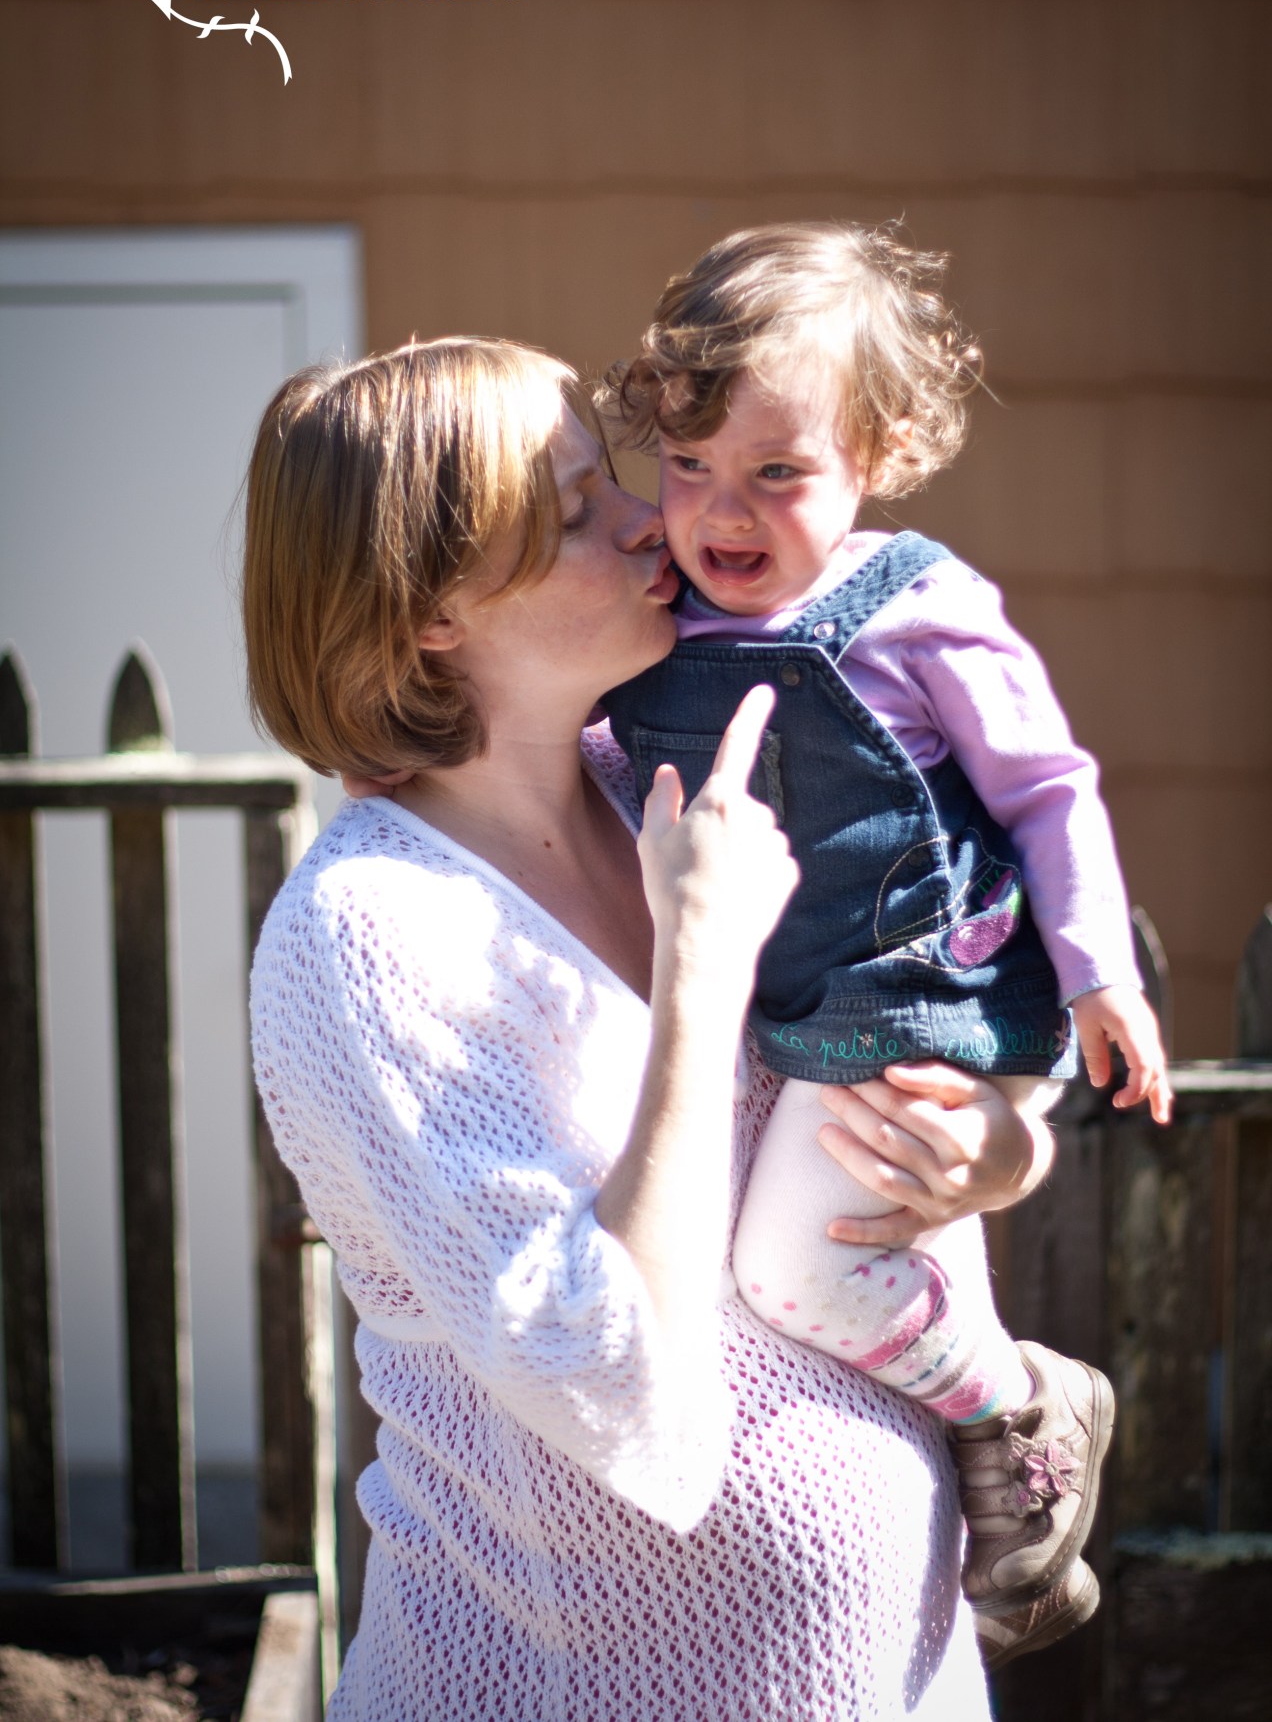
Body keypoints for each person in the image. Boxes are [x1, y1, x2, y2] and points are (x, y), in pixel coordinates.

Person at [243, 335, 1053, 1719]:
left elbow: (910, 1041)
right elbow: (613, 1388)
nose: (645, 520)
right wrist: (701, 972)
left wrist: (998, 1149)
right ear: (431, 612)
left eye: (612, 479)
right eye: (574, 512)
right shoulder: (366, 933)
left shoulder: (673, 779)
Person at [602, 222, 1173, 1664]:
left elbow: (1048, 790)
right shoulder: (653, 618)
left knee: (793, 1272)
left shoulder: (919, 605)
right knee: (803, 1256)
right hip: (811, 1016)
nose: (721, 512)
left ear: (882, 451)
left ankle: (1018, 1402)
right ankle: (999, 1421)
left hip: (936, 997)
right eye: (689, 464)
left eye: (778, 473)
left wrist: (1101, 973)